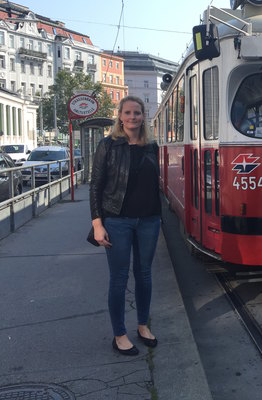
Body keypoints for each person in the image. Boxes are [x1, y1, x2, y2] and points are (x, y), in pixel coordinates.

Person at [89, 95, 161, 356]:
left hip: (149, 221)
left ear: (143, 116)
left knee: (144, 276)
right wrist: (98, 224)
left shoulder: (152, 146)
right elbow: (95, 186)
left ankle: (142, 326)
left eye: (137, 113)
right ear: (120, 116)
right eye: (128, 113)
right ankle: (119, 334)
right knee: (119, 278)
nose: (133, 117)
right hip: (117, 221)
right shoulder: (108, 145)